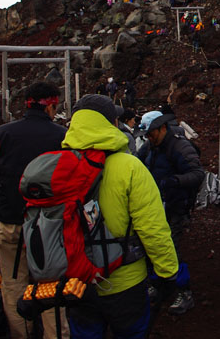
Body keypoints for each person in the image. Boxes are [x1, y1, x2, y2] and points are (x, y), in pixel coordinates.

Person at [61, 95, 179, 339]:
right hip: (125, 282)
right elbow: (153, 228)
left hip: (77, 280)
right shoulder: (130, 167)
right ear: (112, 123)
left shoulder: (59, 165)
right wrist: (167, 273)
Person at [0, 82, 68, 339]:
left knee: (13, 283)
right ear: (51, 105)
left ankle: (21, 333)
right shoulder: (60, 136)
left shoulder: (3, 133)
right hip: (49, 226)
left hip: (11, 221)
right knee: (50, 283)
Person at [137, 110, 205, 315]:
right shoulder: (150, 147)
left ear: (162, 128)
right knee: (152, 245)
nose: (149, 137)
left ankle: (184, 292)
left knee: (171, 248)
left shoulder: (179, 146)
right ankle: (159, 286)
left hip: (175, 205)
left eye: (151, 133)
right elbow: (137, 164)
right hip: (154, 205)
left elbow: (197, 173)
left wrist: (174, 181)